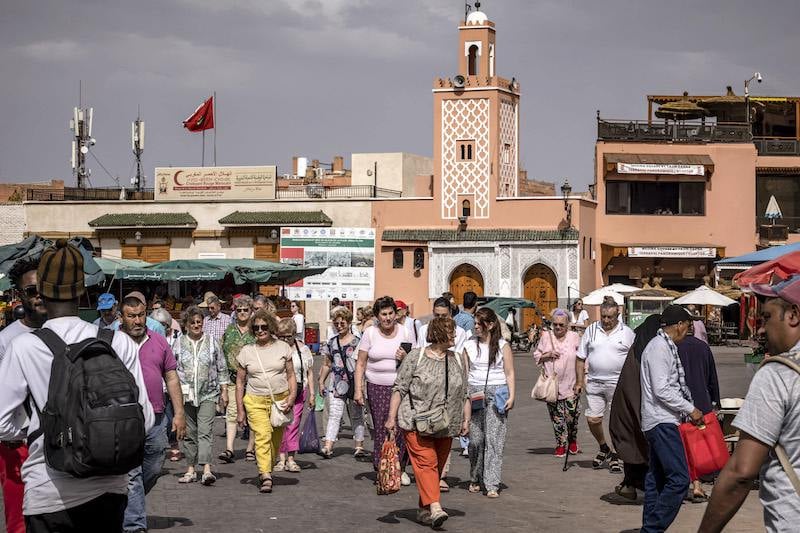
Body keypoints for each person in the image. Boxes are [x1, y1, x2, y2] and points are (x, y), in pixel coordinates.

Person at [0, 240, 154, 533]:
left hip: (49, 491)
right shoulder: (117, 341)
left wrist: (40, 424)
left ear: (42, 293)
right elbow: (144, 419)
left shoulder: (24, 346)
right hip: (111, 488)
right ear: (83, 290)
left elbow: (2, 423)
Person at [700, 280, 800, 532]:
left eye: (767, 317)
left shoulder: (780, 373)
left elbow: (741, 472)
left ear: (793, 315)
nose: (762, 330)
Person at [386, 317, 470, 528]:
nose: (455, 335)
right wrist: (391, 417)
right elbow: (399, 388)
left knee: (436, 467)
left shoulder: (458, 359)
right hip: (416, 422)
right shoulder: (416, 357)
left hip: (446, 424)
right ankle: (435, 507)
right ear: (440, 333)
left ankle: (424, 510)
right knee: (427, 463)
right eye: (451, 331)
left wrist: (465, 419)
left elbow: (465, 393)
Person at [118, 292, 186, 533]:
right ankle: (135, 525)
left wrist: (179, 413)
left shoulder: (158, 341)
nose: (137, 321)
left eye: (140, 315)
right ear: (121, 317)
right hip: (124, 421)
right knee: (133, 475)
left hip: (157, 418)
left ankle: (124, 505)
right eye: (131, 316)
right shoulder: (112, 342)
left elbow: (171, 377)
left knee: (155, 466)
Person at [639, 305, 704, 533]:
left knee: (657, 479)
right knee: (679, 479)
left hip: (663, 419)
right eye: (687, 326)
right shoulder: (659, 348)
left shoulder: (666, 347)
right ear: (678, 325)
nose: (688, 331)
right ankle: (652, 529)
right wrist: (691, 409)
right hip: (661, 420)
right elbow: (662, 390)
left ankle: (650, 526)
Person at [0, 257, 46, 533]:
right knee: (18, 518)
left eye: (43, 288)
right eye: (31, 291)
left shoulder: (64, 332)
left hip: (61, 438)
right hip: (18, 441)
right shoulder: (7, 339)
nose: (39, 295)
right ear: (20, 295)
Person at [235, 310, 298, 493]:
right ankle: (266, 474)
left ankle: (266, 467)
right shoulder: (246, 351)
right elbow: (240, 382)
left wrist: (292, 396)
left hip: (280, 400)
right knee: (262, 435)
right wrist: (240, 410)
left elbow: (291, 375)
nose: (260, 330)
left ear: (270, 326)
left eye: (264, 327)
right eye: (256, 328)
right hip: (254, 400)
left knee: (276, 440)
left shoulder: (283, 348)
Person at [354, 296, 412, 478]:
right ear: (377, 316)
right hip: (377, 386)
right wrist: (358, 389)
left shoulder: (405, 331)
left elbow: (415, 359)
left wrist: (405, 357)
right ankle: (382, 466)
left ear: (396, 314)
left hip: (401, 386)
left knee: (401, 426)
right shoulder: (370, 333)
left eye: (390, 313)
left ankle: (400, 466)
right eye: (383, 314)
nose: (387, 318)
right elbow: (361, 364)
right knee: (382, 426)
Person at [574, 301, 635, 472]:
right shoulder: (591, 330)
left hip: (618, 383)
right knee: (593, 419)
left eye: (610, 317)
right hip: (594, 381)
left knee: (616, 421)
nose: (606, 320)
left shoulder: (628, 333)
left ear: (617, 316)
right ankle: (604, 447)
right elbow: (580, 358)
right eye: (603, 316)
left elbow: (635, 359)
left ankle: (615, 453)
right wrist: (579, 382)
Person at [609, 314, 662, 501]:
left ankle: (630, 485)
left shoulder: (636, 350)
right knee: (647, 448)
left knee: (633, 446)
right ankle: (648, 488)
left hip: (627, 410)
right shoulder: (651, 353)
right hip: (642, 411)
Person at [174, 305, 229, 486]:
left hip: (208, 394)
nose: (196, 325)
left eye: (199, 322)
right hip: (186, 395)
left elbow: (221, 367)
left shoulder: (212, 342)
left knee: (205, 431)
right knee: (189, 433)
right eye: (193, 323)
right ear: (186, 325)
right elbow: (172, 370)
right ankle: (190, 469)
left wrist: (224, 391)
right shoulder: (179, 343)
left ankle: (206, 469)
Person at [465, 307, 516, 498]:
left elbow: (509, 372)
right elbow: (465, 373)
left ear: (491, 325)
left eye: (480, 324)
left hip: (498, 392)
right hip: (474, 392)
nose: (476, 327)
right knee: (476, 440)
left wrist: (512, 395)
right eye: (475, 323)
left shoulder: (503, 346)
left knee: (495, 439)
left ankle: (492, 482)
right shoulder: (469, 345)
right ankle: (475, 476)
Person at [677, 322, 720, 502]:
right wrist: (715, 401)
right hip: (701, 401)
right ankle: (697, 485)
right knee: (697, 445)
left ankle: (691, 483)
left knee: (683, 445)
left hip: (679, 402)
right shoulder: (703, 347)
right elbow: (712, 377)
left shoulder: (673, 347)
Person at [318, 307, 366, 458]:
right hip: (337, 383)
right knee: (334, 414)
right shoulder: (331, 343)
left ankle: (359, 446)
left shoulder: (358, 342)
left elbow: (363, 364)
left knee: (356, 415)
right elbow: (327, 364)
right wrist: (321, 381)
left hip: (354, 383)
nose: (339, 326)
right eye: (336, 323)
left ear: (349, 322)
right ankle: (328, 446)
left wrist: (362, 384)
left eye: (342, 323)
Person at [533, 308, 581, 457]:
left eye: (561, 325)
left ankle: (572, 440)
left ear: (567, 325)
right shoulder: (546, 336)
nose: (558, 328)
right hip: (552, 385)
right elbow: (537, 355)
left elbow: (582, 357)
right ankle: (560, 444)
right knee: (557, 417)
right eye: (555, 325)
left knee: (572, 415)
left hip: (571, 384)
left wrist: (582, 378)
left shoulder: (574, 337)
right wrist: (547, 355)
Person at [219, 295, 256, 464]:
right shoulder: (230, 330)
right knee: (232, 412)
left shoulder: (257, 330)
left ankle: (250, 448)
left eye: (245, 310)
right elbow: (222, 354)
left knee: (253, 413)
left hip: (254, 379)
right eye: (239, 310)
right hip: (233, 377)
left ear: (251, 311)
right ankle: (229, 448)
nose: (242, 313)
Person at [276, 318, 315, 472]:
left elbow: (309, 372)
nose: (285, 340)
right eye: (282, 336)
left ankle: (291, 458)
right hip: (280, 391)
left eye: (288, 336)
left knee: (293, 425)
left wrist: (312, 394)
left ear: (294, 334)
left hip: (298, 390)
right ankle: (281, 458)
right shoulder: (275, 348)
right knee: (280, 425)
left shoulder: (303, 349)